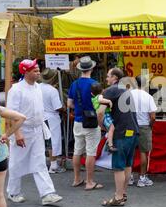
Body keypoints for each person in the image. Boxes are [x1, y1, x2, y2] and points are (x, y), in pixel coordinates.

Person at [6, 59, 63, 206]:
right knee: (16, 162)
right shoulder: (16, 90)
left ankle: (47, 194)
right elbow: (11, 113)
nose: (38, 73)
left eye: (38, 70)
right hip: (22, 130)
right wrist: (17, 133)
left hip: (37, 129)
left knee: (39, 162)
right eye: (35, 70)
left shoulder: (38, 87)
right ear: (26, 72)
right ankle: (13, 192)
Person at [97, 68, 139, 206]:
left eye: (108, 76)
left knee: (118, 167)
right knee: (127, 165)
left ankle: (118, 197)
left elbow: (100, 112)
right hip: (133, 130)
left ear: (114, 77)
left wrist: (101, 126)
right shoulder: (125, 90)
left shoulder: (111, 90)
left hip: (121, 132)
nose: (106, 79)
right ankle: (123, 193)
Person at [67, 56, 103, 190]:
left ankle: (76, 179)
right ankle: (89, 182)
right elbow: (99, 105)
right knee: (90, 152)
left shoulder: (74, 84)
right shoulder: (95, 84)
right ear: (92, 68)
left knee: (77, 150)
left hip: (77, 121)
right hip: (92, 122)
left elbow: (69, 103)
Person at [130, 75, 157, 187]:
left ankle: (129, 177)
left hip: (130, 126)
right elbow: (153, 117)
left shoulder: (129, 95)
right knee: (143, 152)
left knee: (130, 152)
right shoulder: (148, 97)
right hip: (144, 126)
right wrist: (150, 126)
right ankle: (142, 178)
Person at [40, 68, 66, 174]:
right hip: (51, 118)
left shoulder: (37, 87)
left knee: (42, 142)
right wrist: (64, 108)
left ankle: (41, 165)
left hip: (40, 116)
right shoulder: (52, 90)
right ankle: (53, 165)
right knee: (52, 142)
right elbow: (57, 107)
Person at [90, 82, 116, 152]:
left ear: (91, 93)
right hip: (105, 115)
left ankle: (108, 140)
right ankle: (110, 144)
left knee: (110, 129)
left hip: (102, 117)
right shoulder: (99, 96)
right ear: (102, 91)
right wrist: (109, 101)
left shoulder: (93, 99)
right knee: (112, 128)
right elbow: (100, 100)